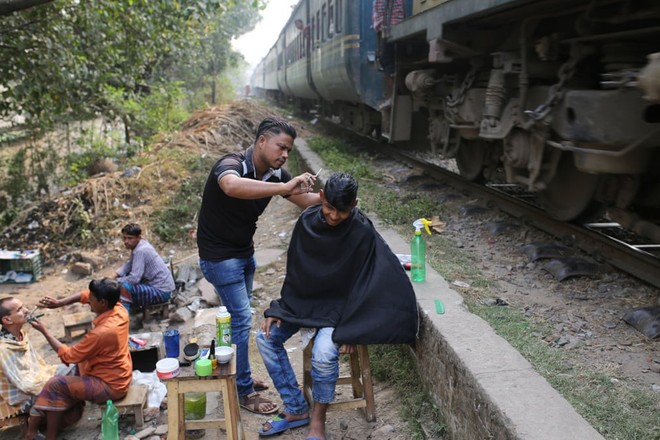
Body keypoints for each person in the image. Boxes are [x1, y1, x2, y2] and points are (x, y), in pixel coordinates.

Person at [256, 172, 418, 439]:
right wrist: (279, 308)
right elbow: (297, 272)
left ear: (354, 205)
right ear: (321, 197)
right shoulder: (307, 221)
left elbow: (368, 283)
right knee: (266, 338)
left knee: (322, 353)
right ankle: (297, 407)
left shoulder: (362, 229)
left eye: (341, 212)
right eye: (329, 208)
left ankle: (318, 419)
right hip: (305, 303)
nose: (332, 216)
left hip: (342, 312)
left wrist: (353, 326)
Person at [197, 116, 321, 415]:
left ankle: (241, 376)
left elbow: (306, 201)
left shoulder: (276, 174)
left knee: (240, 318)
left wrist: (336, 198)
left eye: (289, 151)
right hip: (219, 257)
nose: (285, 155)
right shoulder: (233, 164)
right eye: (281, 147)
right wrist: (283, 187)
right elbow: (230, 186)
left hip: (243, 252)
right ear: (262, 141)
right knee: (240, 320)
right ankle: (242, 390)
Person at [27, 278, 132, 440]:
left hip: (110, 386)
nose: (88, 301)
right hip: (119, 373)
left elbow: (69, 356)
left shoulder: (102, 333)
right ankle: (49, 421)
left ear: (103, 302)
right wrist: (59, 303)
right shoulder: (119, 309)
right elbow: (83, 295)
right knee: (67, 374)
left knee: (55, 385)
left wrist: (44, 331)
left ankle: (44, 436)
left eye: (91, 300)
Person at [0, 297, 56, 423]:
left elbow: (36, 366)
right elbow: (24, 385)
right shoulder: (3, 349)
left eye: (24, 306)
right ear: (7, 320)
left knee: (71, 372)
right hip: (18, 399)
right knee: (62, 388)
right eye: (20, 309)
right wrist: (51, 382)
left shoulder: (21, 335)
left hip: (32, 382)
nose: (26, 310)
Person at [112, 223, 176, 314]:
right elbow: (131, 264)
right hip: (159, 285)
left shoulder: (140, 250)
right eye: (124, 238)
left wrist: (115, 281)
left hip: (162, 291)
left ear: (138, 238)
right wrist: (115, 275)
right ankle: (126, 310)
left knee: (123, 287)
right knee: (123, 280)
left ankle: (124, 319)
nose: (126, 241)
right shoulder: (140, 245)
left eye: (130, 238)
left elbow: (134, 279)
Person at [372, 0, 405, 109]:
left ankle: (392, 96)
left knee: (386, 59)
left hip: (388, 28)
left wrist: (382, 27)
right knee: (389, 60)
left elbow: (382, 10)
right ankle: (393, 95)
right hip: (393, 26)